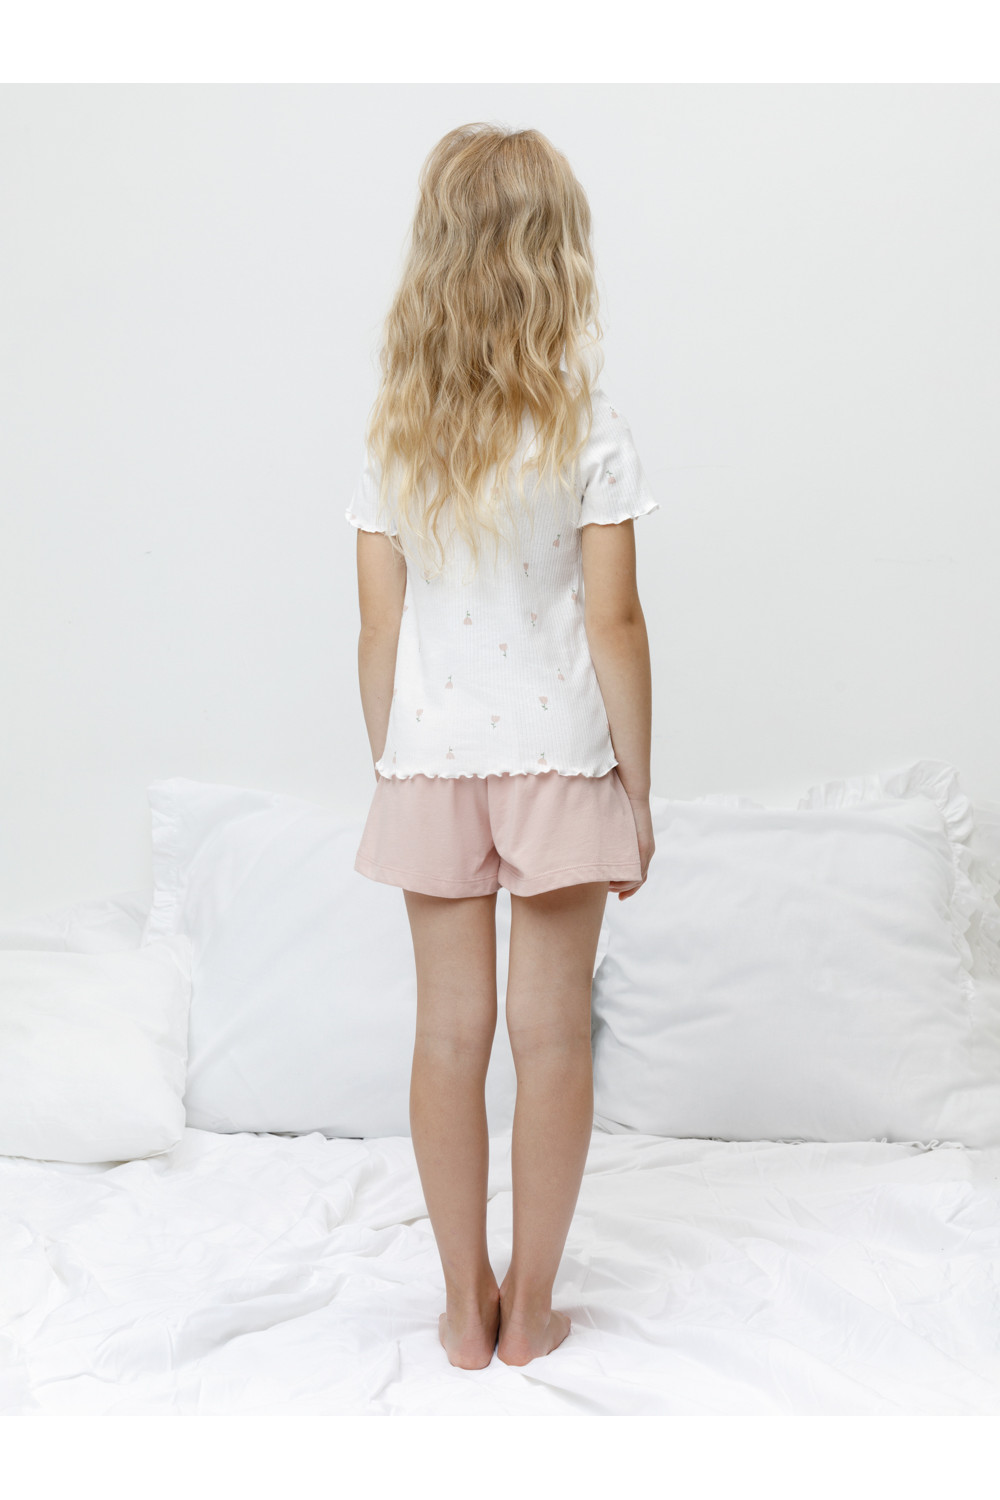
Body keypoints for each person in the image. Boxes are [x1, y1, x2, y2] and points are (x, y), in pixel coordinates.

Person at [346, 122, 658, 1371]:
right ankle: (530, 1309)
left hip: (429, 757)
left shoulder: (395, 432)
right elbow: (615, 621)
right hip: (559, 756)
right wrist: (637, 789)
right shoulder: (589, 426)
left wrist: (396, 759)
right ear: (555, 255)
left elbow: (378, 629)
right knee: (550, 1035)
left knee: (445, 1035)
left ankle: (458, 1309)